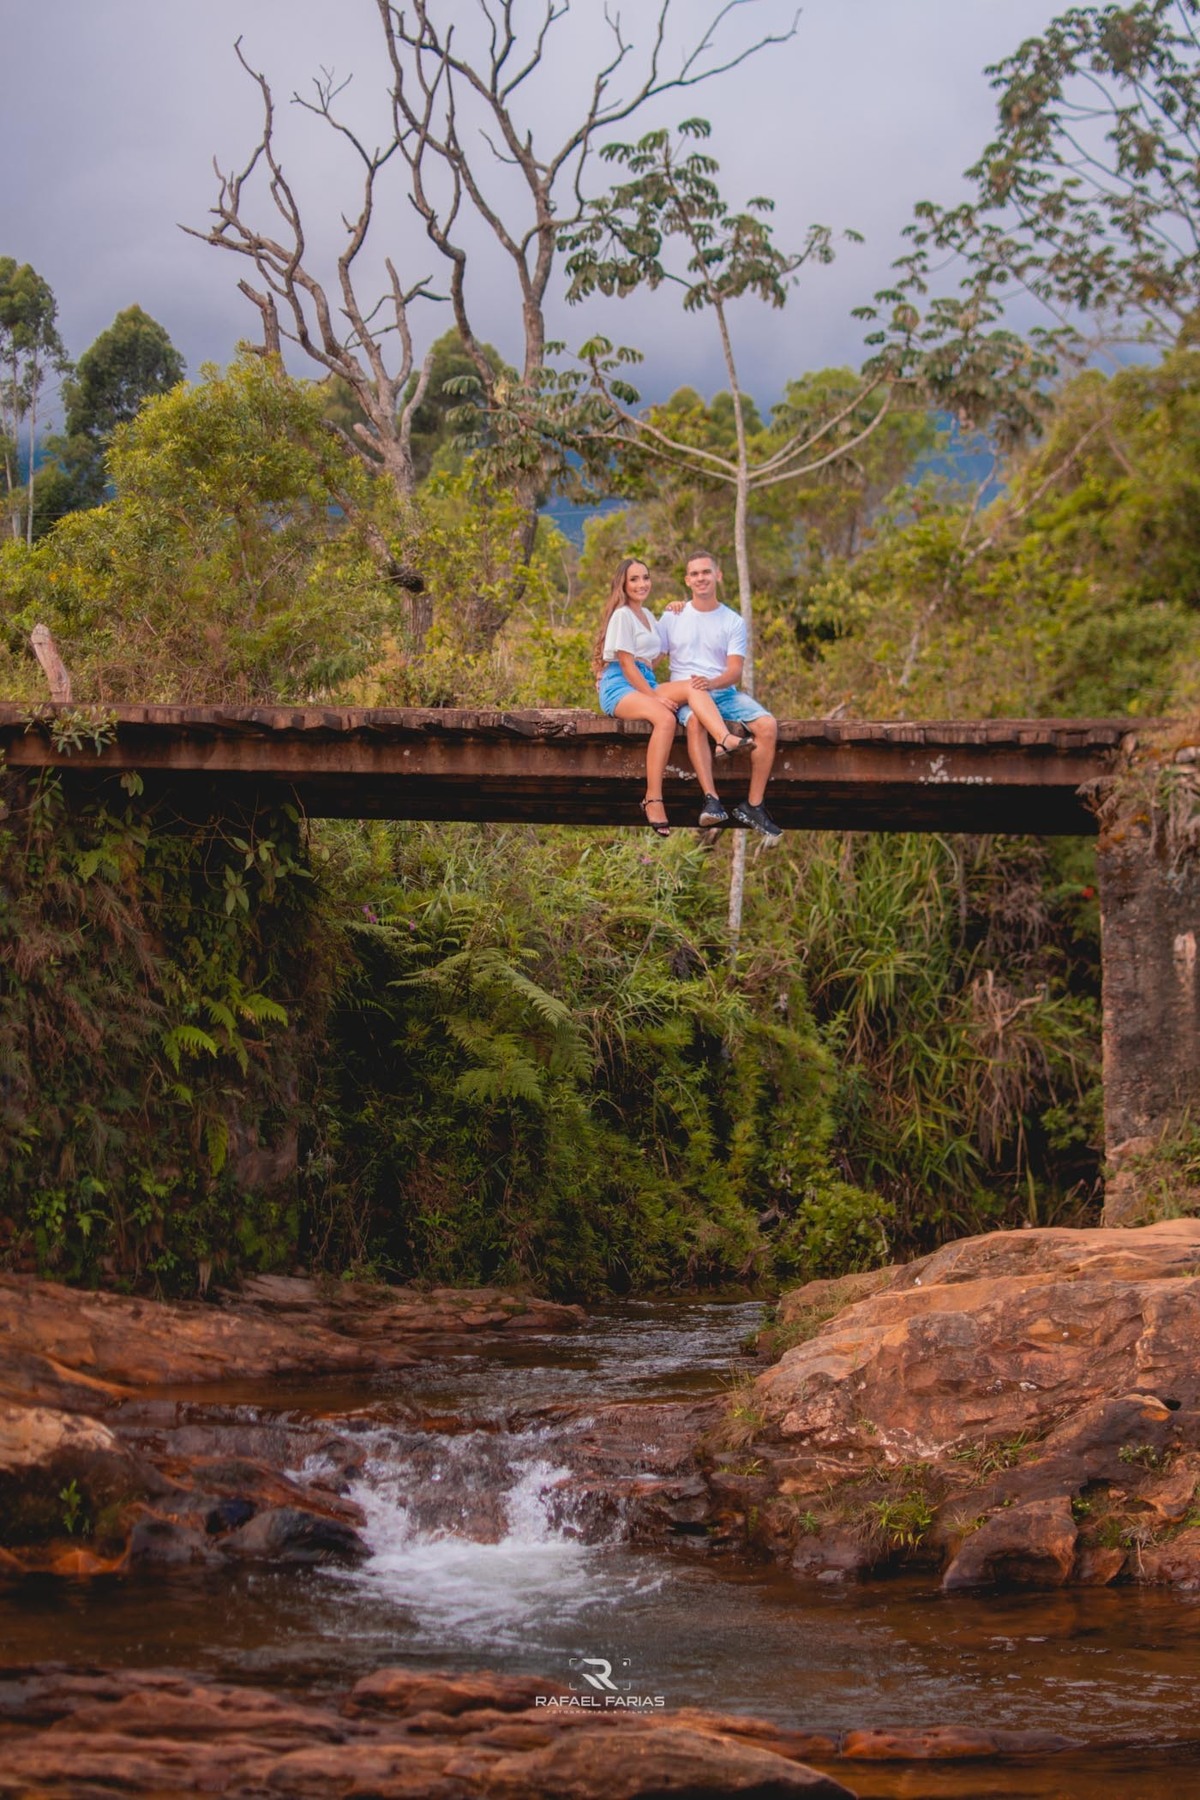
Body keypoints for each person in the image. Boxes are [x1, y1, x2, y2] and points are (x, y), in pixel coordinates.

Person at [593, 556, 756, 837]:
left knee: (693, 684)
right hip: (620, 684)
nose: (641, 584)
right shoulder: (622, 614)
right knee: (665, 719)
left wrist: (678, 608)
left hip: (644, 680)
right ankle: (653, 798)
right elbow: (628, 663)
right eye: (634, 579)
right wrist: (654, 697)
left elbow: (651, 659)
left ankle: (724, 739)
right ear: (623, 583)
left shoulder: (649, 616)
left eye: (645, 577)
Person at [657, 550, 782, 843]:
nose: (701, 578)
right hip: (686, 695)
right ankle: (711, 799)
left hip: (723, 692)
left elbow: (735, 671)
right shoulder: (672, 616)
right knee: (696, 723)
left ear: (718, 575)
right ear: (687, 580)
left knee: (768, 725)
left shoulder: (732, 621)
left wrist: (711, 682)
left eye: (706, 572)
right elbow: (655, 657)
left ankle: (753, 806)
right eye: (695, 574)